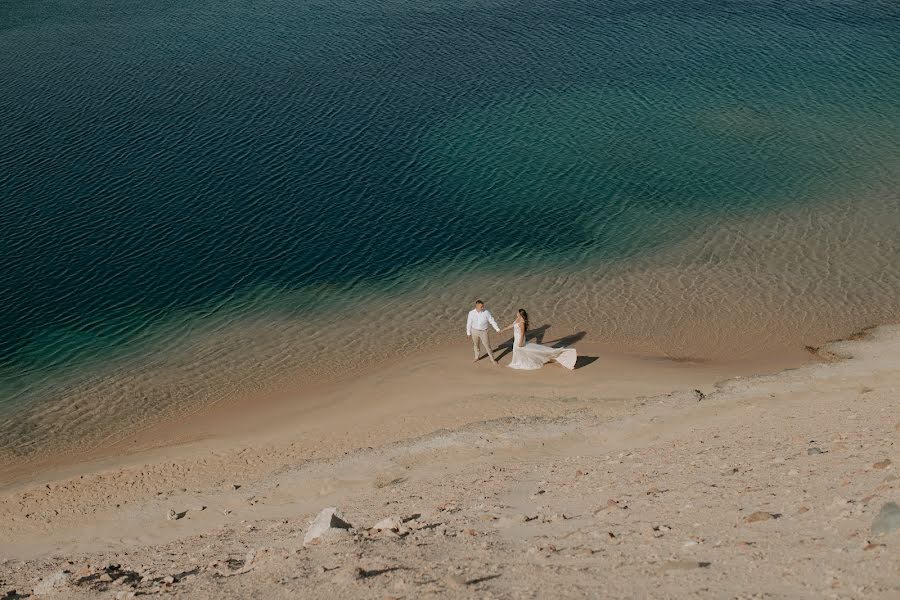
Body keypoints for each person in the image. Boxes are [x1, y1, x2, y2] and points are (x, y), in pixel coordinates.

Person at [501, 309, 577, 370]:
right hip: (517, 338)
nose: (516, 314)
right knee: (519, 350)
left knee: (519, 349)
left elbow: (522, 333)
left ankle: (516, 363)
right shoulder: (517, 319)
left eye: (517, 313)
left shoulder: (522, 323)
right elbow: (512, 325)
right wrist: (503, 329)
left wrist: (520, 342)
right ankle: (516, 362)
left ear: (520, 314)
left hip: (520, 339)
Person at [466, 299, 501, 364]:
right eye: (481, 306)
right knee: (476, 345)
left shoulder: (486, 312)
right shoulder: (471, 313)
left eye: (483, 306)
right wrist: (468, 332)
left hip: (484, 331)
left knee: (487, 345)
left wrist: (497, 329)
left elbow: (492, 321)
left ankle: (492, 359)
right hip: (474, 331)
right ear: (476, 306)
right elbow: (469, 323)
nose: (482, 308)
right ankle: (477, 357)